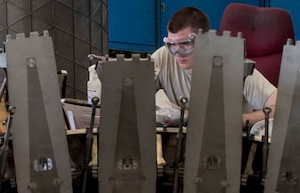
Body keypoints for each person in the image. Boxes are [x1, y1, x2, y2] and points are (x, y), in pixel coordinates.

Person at [89, 7, 275, 131]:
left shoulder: (232, 65)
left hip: (227, 148)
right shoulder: (164, 56)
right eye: (171, 44)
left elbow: (281, 108)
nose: (177, 52)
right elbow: (131, 95)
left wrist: (241, 120)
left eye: (185, 44)